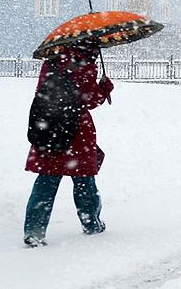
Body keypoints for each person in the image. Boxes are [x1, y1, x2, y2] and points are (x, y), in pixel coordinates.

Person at [23, 42, 114, 247]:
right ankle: (91, 223)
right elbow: (88, 99)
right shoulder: (84, 63)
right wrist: (105, 88)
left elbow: (43, 91)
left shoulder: (52, 61)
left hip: (50, 126)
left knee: (46, 181)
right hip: (75, 130)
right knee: (84, 180)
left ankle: (34, 231)